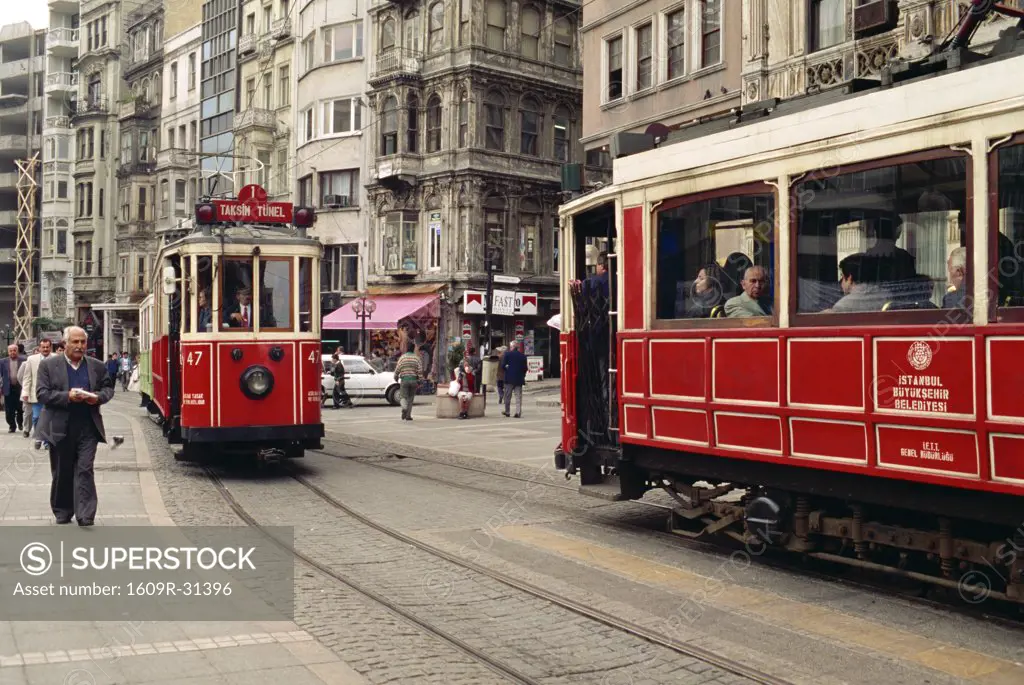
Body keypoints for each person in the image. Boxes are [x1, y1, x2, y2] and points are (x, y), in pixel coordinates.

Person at [35, 326, 115, 526]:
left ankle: (85, 514)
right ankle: (63, 510)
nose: (80, 346)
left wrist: (97, 398)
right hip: (59, 427)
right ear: (65, 343)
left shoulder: (96, 366)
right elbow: (42, 394)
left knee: (85, 469)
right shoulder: (49, 366)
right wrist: (67, 396)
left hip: (88, 426)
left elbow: (107, 388)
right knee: (62, 470)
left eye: (83, 342)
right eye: (75, 342)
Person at [20, 338, 53, 448]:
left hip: (52, 395)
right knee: (36, 417)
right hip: (36, 394)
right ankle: (39, 437)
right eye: (43, 347)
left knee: (49, 418)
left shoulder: (57, 359)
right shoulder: (31, 359)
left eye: (47, 347)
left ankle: (47, 441)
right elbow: (27, 377)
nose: (45, 349)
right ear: (39, 348)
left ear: (50, 347)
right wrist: (25, 392)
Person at [393, 342, 422, 421]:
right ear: (413, 349)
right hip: (414, 380)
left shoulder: (402, 358)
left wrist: (395, 377)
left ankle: (404, 408)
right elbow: (419, 370)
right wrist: (420, 380)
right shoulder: (416, 358)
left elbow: (397, 368)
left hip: (404, 380)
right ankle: (408, 416)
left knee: (403, 396)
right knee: (410, 398)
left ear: (406, 349)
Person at [0, 343, 25, 434]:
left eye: (14, 350)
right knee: (9, 409)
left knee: (20, 408)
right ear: (8, 352)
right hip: (8, 388)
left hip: (20, 388)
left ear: (17, 351)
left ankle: (20, 422)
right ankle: (12, 425)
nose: (12, 352)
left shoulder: (24, 360)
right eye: (10, 351)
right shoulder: (2, 362)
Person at [501, 341, 528, 419]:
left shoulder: (507, 354)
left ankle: (507, 412)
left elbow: (503, 366)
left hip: (509, 379)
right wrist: (522, 375)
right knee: (518, 396)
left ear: (512, 347)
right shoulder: (522, 356)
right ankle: (518, 412)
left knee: (507, 396)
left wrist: (507, 368)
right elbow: (525, 368)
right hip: (519, 379)